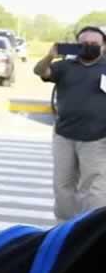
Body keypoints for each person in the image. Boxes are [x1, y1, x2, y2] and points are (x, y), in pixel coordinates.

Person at [35, 26, 106, 220]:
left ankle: (91, 231)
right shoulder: (65, 66)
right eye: (84, 43)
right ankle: (65, 230)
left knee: (95, 190)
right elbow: (40, 71)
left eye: (94, 43)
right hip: (64, 136)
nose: (89, 46)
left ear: (104, 46)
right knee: (63, 186)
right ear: (76, 45)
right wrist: (50, 56)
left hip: (97, 138)